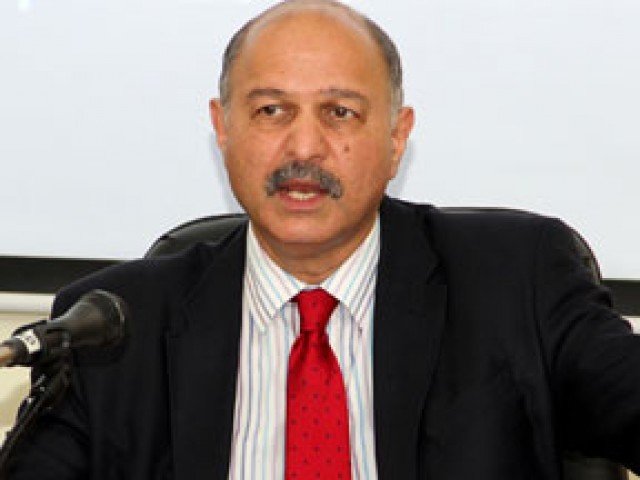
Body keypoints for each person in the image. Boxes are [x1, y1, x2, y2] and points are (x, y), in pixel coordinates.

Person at [8, 0, 640, 478]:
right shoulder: (113, 325)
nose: (304, 148)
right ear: (222, 128)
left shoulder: (518, 281)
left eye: (340, 113)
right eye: (271, 111)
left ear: (396, 136)